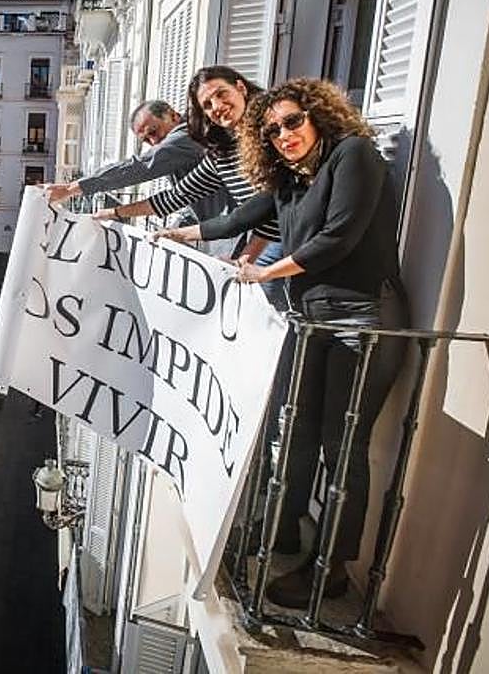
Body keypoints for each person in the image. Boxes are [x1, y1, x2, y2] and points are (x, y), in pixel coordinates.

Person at [155, 78, 408, 608]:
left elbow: (338, 236)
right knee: (295, 433)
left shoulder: (353, 155)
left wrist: (267, 275)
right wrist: (172, 236)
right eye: (271, 130)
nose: (283, 134)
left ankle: (331, 569)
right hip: (310, 318)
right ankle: (284, 531)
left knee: (343, 448)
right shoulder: (293, 179)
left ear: (319, 114)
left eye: (292, 121)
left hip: (360, 319)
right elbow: (240, 218)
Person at [84, 68, 284, 299]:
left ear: (240, 87)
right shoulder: (222, 151)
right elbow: (176, 197)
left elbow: (273, 204)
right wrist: (117, 212)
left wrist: (78, 187)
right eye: (207, 105)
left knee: (265, 307)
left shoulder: (272, 130)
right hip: (256, 235)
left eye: (221, 94)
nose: (217, 107)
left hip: (289, 237)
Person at [44, 99, 228, 227]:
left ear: (173, 115)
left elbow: (140, 167)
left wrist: (73, 188)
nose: (154, 142)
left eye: (154, 132)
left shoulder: (187, 135)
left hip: (238, 229)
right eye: (146, 140)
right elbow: (183, 196)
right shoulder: (183, 149)